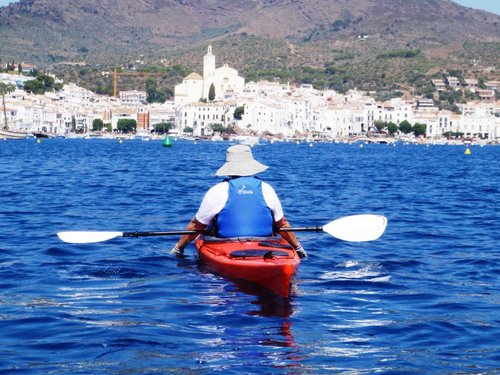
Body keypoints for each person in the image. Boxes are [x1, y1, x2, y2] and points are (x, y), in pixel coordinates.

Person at [171, 144, 307, 258]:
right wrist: (298, 248)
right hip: (266, 245)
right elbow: (282, 224)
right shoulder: (267, 188)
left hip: (226, 246)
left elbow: (196, 226)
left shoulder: (218, 190)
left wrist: (179, 248)